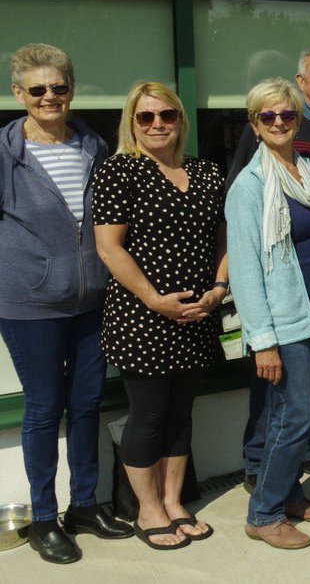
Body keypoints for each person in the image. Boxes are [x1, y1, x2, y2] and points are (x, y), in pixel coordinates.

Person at [0, 44, 132, 564]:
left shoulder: (92, 146)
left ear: (71, 90)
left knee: (86, 405)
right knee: (41, 409)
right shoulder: (6, 152)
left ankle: (84, 506)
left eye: (58, 87)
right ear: (18, 94)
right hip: (30, 304)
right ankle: (43, 517)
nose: (49, 97)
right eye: (38, 89)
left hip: (93, 299)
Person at [93, 82, 228, 549]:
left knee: (181, 413)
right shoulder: (119, 171)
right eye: (145, 117)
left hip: (197, 314)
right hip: (143, 316)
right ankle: (146, 509)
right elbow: (108, 247)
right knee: (148, 415)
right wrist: (154, 299)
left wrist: (218, 288)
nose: (156, 125)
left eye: (166, 115)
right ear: (131, 122)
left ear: (180, 120)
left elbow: (222, 237)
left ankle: (173, 501)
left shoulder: (207, 172)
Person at [226, 78, 310, 550]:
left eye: (287, 115)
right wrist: (262, 340)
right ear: (254, 125)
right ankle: (263, 514)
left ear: (298, 120)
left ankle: (286, 496)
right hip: (284, 322)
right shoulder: (250, 186)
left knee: (295, 410)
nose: (279, 122)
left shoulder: (307, 172)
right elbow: (243, 270)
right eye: (268, 116)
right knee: (294, 413)